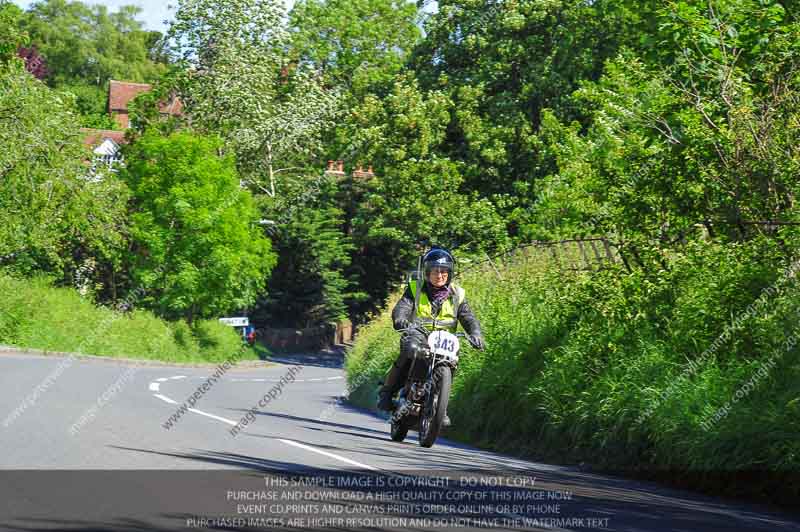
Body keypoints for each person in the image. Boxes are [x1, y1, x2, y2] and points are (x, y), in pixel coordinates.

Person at [377, 247, 485, 427]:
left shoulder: (458, 294)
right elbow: (402, 308)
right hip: (418, 334)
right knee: (410, 350)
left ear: (450, 273)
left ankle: (440, 406)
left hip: (444, 339)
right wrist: (401, 320)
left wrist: (476, 334)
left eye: (444, 271)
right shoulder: (415, 288)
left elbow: (468, 317)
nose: (440, 275)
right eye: (435, 271)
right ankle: (387, 393)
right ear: (427, 272)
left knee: (452, 361)